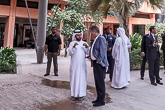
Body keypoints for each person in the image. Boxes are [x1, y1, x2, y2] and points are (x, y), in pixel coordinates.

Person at [90, 26, 109, 107]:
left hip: (99, 64)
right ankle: (98, 98)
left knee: (100, 82)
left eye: (91, 32)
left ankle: (102, 101)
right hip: (95, 63)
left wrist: (98, 61)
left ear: (95, 31)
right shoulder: (97, 38)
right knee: (97, 82)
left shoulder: (101, 39)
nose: (91, 34)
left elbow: (103, 52)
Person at [68, 30, 89, 101]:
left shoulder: (84, 43)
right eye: (78, 35)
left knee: (82, 78)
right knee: (74, 78)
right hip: (75, 65)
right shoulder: (72, 43)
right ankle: (74, 94)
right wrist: (74, 47)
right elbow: (70, 53)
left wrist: (86, 47)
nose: (79, 36)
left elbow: (88, 53)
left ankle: (81, 94)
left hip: (82, 65)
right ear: (75, 36)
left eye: (80, 35)